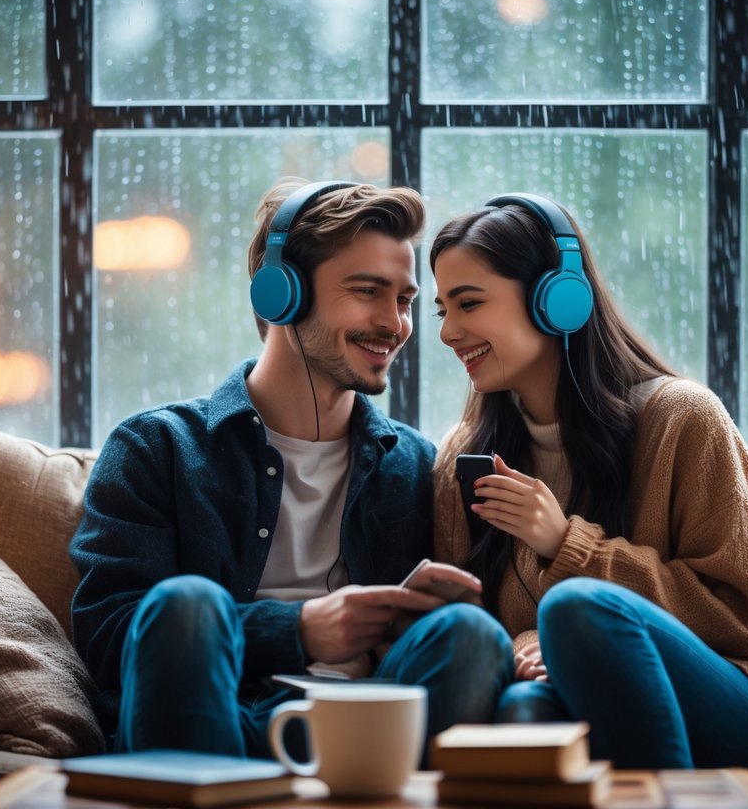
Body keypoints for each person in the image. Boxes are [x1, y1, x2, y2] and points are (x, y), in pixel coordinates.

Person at [70, 179, 513, 758]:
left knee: (470, 636)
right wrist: (298, 630)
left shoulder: (414, 465)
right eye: (367, 291)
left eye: (404, 300)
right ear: (281, 295)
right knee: (186, 605)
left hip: (360, 728)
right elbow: (107, 637)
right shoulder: (156, 448)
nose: (395, 323)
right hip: (215, 716)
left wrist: (398, 620)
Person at [429, 193, 748, 771]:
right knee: (526, 713)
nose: (449, 332)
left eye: (468, 303)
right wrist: (529, 645)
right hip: (565, 697)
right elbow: (479, 627)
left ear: (558, 300)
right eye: (442, 310)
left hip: (722, 704)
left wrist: (567, 546)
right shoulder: (463, 457)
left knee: (578, 606)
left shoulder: (683, 420)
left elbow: (744, 612)